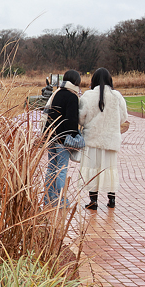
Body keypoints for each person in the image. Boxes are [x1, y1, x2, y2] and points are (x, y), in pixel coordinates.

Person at [78, 67, 128, 210]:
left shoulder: (87, 96)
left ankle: (93, 201)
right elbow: (123, 117)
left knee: (92, 168)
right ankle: (111, 199)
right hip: (111, 139)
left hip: (92, 139)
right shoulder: (116, 96)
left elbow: (81, 118)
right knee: (109, 168)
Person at [42, 69, 81, 207]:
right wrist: (75, 137)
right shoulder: (72, 97)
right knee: (62, 169)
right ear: (76, 82)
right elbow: (71, 121)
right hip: (63, 139)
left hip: (51, 136)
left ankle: (48, 199)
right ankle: (60, 200)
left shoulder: (56, 93)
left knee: (51, 168)